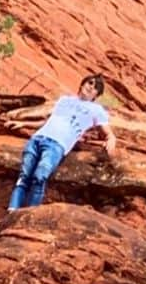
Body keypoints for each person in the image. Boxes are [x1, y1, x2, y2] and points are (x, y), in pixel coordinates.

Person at [8, 74, 116, 209]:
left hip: (56, 145)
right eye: (90, 83)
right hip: (38, 138)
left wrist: (111, 139)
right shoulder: (64, 100)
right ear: (82, 84)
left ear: (96, 95)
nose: (91, 87)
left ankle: (28, 216)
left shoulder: (96, 110)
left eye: (96, 88)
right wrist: (23, 124)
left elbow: (107, 132)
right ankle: (11, 213)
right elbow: (49, 121)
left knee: (39, 177)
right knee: (23, 179)